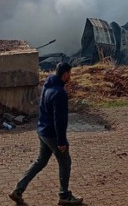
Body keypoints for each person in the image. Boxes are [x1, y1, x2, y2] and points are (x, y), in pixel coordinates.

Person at [9, 62, 83, 205]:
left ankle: (18, 190)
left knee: (40, 161)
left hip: (42, 131)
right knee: (65, 162)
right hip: (52, 134)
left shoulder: (47, 86)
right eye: (70, 73)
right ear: (65, 74)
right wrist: (61, 141)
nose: (70, 76)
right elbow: (59, 120)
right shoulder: (59, 93)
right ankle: (64, 195)